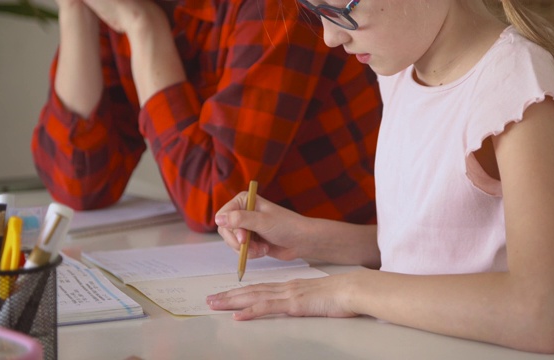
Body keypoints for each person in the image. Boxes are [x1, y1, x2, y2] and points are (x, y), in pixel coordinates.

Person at [208, 0, 554, 353]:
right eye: (316, 11)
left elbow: (541, 312)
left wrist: (351, 289)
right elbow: (438, 248)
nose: (329, 37)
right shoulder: (399, 73)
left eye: (342, 8)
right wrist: (307, 236)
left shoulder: (513, 81)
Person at [31, 0, 382, 232]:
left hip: (352, 266)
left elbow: (214, 203)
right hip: (252, 267)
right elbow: (78, 184)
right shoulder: (125, 7)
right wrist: (74, 9)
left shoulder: (271, 7)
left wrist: (143, 28)